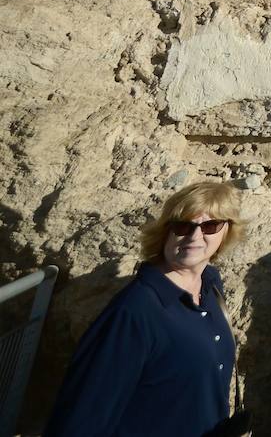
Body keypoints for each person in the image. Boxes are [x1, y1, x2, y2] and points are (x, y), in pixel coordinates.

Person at [47, 181, 243, 437]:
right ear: (166, 232)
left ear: (226, 231)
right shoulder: (136, 310)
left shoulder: (211, 286)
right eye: (183, 226)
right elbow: (84, 414)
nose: (195, 237)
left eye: (209, 226)